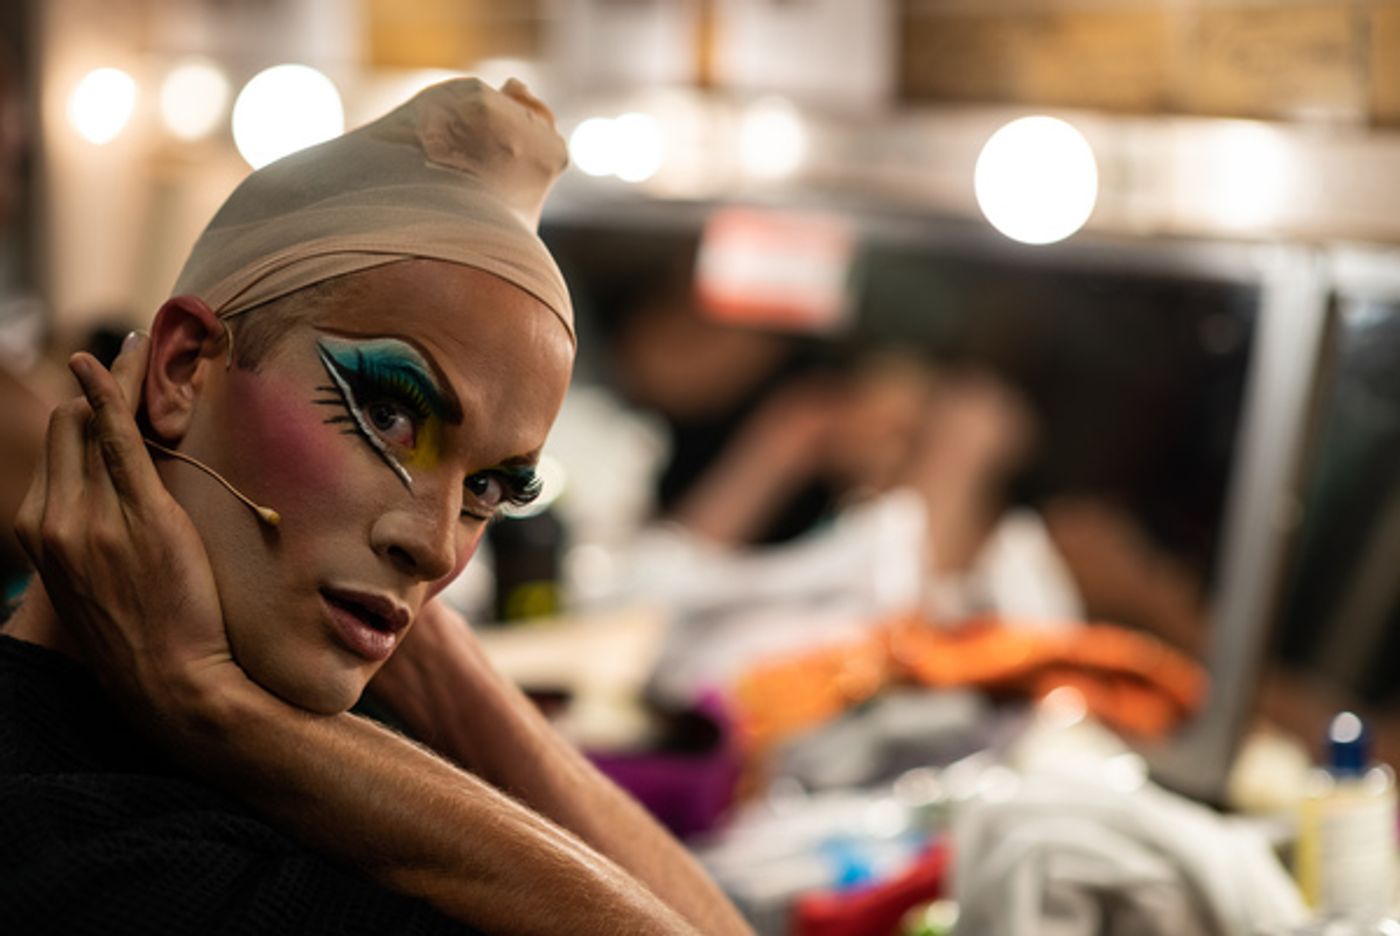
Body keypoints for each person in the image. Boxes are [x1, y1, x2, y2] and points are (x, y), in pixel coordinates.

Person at [2, 77, 753, 936]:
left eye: (488, 488)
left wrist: (434, 660)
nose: (439, 550)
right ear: (183, 367)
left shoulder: (295, 705)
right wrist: (217, 703)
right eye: (391, 415)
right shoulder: (83, 857)